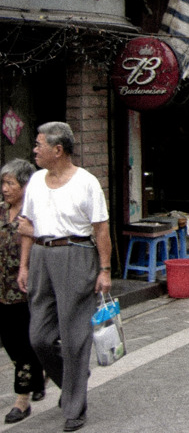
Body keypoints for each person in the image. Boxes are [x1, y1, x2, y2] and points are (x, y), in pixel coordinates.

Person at [17, 122, 112, 433]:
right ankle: (74, 380)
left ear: (57, 150)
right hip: (42, 257)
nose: (34, 150)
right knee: (39, 337)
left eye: (39, 144)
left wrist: (105, 269)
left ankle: (74, 407)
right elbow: (26, 225)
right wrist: (24, 266)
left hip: (75, 254)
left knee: (73, 339)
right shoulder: (34, 181)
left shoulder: (86, 183)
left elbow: (101, 229)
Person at [0, 159, 46, 424]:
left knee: (25, 342)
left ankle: (22, 399)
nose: (5, 188)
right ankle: (38, 376)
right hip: (1, 290)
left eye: (10, 183)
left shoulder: (34, 214)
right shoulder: (0, 211)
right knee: (10, 342)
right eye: (3, 183)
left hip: (26, 289)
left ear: (25, 185)